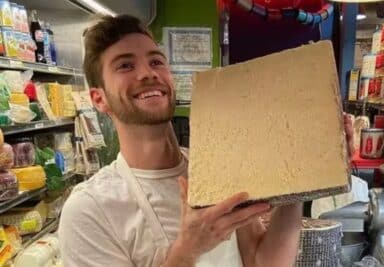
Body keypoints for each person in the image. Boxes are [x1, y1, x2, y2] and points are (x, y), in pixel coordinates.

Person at [58, 14, 302, 267]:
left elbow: (264, 262)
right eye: (125, 66)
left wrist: (302, 179)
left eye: (156, 61)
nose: (147, 73)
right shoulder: (89, 209)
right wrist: (188, 249)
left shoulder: (216, 170)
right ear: (99, 99)